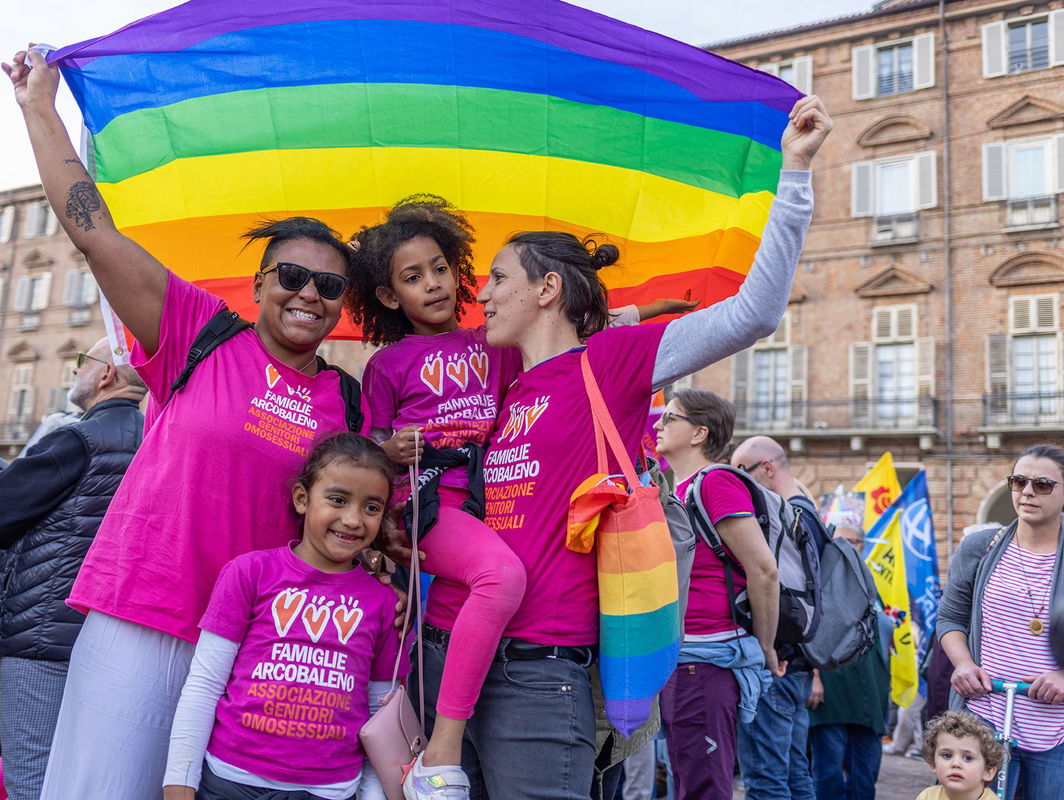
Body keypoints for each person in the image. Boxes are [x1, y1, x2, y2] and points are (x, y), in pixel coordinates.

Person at [396, 95, 832, 800]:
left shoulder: (614, 364)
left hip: (542, 675)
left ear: (546, 288)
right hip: (445, 657)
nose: (482, 294)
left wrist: (796, 176)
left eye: (498, 278)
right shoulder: (504, 382)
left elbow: (755, 313)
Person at [3, 47, 380, 799]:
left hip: (260, 646)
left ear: (344, 305)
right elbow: (94, 233)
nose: (308, 294)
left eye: (329, 285)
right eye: (291, 277)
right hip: (144, 613)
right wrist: (39, 109)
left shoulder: (350, 399)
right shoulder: (197, 331)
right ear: (260, 283)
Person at [347, 196, 696, 799]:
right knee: (502, 578)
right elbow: (370, 448)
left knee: (491, 581)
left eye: (440, 269)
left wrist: (644, 311)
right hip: (429, 500)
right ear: (387, 298)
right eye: (411, 278)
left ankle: (443, 737)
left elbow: (565, 327)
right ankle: (443, 750)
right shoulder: (387, 364)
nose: (432, 285)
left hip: (481, 504)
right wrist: (391, 456)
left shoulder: (495, 344)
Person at [163, 433, 402, 800]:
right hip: (231, 782)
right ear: (303, 499)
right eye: (337, 500)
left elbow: (379, 713)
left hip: (329, 790)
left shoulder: (385, 602)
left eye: (372, 508)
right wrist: (179, 785)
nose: (353, 519)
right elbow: (204, 684)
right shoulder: (249, 573)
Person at [0, 337, 147, 800]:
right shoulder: (155, 439)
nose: (76, 371)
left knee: (31, 776)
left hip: (44, 629)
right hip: (115, 639)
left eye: (81, 362)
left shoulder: (78, 437)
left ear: (106, 375)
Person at [653, 391, 783, 800]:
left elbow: (763, 569)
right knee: (689, 780)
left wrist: (766, 647)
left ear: (698, 433)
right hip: (687, 659)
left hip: (707, 662)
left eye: (669, 417)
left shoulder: (717, 482)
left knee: (704, 786)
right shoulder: (683, 488)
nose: (658, 424)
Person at [938, 443, 1064, 798]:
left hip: (1056, 730)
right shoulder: (981, 547)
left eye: (1042, 484)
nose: (1026, 492)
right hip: (983, 718)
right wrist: (962, 664)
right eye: (1018, 481)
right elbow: (949, 618)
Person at [730, 435, 831, 800]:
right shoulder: (810, 515)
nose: (738, 483)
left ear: (767, 468)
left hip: (778, 663)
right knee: (794, 773)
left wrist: (766, 644)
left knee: (765, 779)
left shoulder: (785, 517)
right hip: (798, 665)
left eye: (742, 472)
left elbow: (768, 578)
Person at [807, 523, 892, 800]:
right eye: (838, 543)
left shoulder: (871, 583)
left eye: (851, 542)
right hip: (832, 692)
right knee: (829, 775)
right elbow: (807, 635)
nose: (845, 549)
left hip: (870, 696)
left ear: (862, 545)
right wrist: (815, 677)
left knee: (865, 776)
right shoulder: (821, 582)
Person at [915, 711, 1001, 800]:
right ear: (933, 763)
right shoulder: (928, 796)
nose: (955, 763)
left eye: (968, 758)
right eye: (947, 755)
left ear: (988, 771)